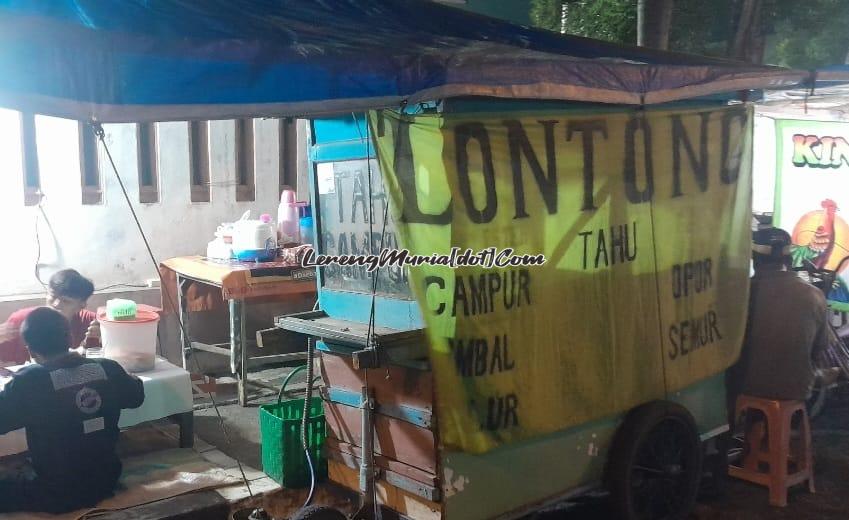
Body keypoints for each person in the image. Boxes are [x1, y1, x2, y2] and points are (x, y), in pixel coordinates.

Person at [0, 307, 144, 513]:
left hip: (55, 491)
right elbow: (136, 397)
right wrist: (131, 377)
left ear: (30, 350)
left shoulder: (30, 381)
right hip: (106, 479)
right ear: (69, 338)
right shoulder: (108, 368)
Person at [727, 226, 840, 416]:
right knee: (828, 371)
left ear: (754, 260)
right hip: (796, 390)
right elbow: (818, 349)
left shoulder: (739, 294)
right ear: (788, 259)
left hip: (745, 388)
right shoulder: (814, 294)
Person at [0, 269, 100, 364]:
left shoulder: (91, 323)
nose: (56, 304)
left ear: (81, 305)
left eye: (66, 301)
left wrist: (104, 337)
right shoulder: (21, 321)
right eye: (53, 296)